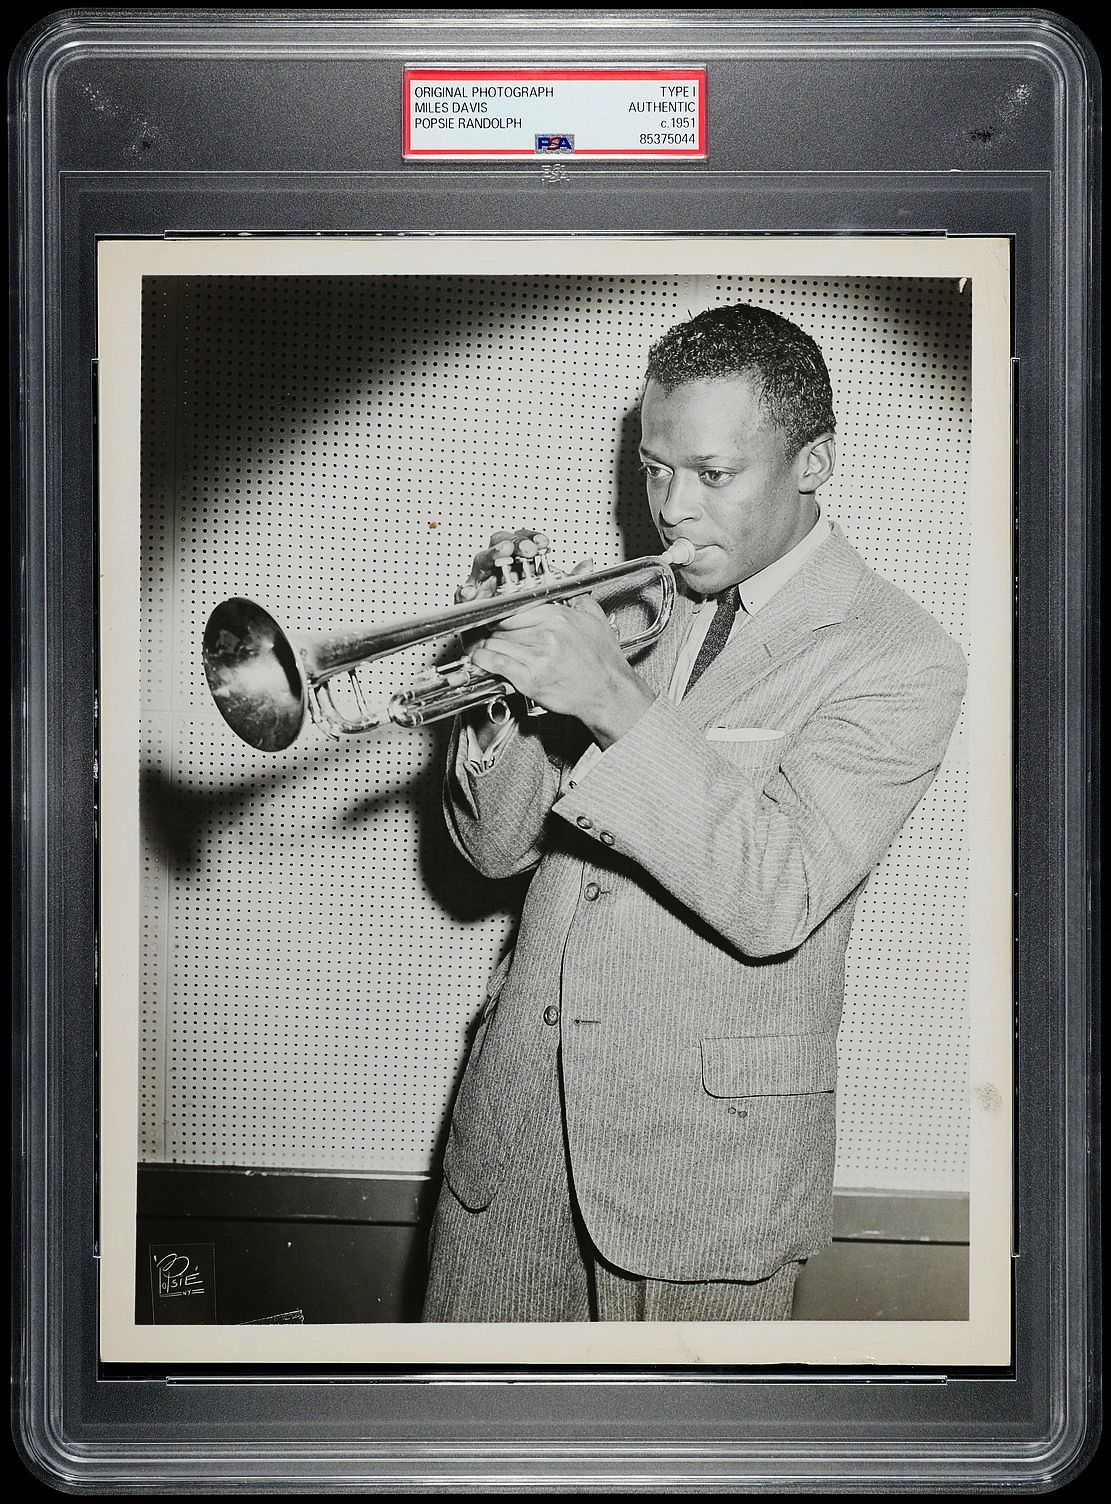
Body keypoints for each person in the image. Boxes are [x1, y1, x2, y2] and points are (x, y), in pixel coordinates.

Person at [421, 302, 967, 1324]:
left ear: (812, 463)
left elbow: (777, 891)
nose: (671, 508)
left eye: (713, 475)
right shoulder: (627, 606)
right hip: (514, 1143)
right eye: (653, 467)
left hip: (703, 1180)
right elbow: (496, 851)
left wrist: (612, 706)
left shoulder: (897, 656)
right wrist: (494, 700)